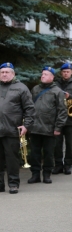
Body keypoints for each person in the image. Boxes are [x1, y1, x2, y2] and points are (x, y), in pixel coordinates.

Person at [28, 67, 67, 185]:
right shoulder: (35, 89)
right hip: (34, 127)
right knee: (34, 153)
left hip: (49, 128)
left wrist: (58, 127)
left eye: (46, 74)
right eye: (42, 74)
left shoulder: (57, 91)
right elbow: (28, 107)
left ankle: (46, 174)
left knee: (49, 153)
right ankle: (35, 174)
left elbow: (62, 111)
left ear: (52, 77)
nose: (43, 76)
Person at [0, 62, 35, 194]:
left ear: (13, 74)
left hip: (12, 129)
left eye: (7, 72)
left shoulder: (21, 88)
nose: (4, 74)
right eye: (2, 72)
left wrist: (26, 125)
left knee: (12, 159)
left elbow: (30, 109)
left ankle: (13, 184)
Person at [53, 63, 72, 174]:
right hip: (58, 118)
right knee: (57, 144)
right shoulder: (56, 84)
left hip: (71, 118)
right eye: (64, 72)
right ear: (61, 73)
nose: (65, 73)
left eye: (67, 71)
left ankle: (68, 164)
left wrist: (69, 97)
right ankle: (58, 165)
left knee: (70, 144)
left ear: (71, 72)